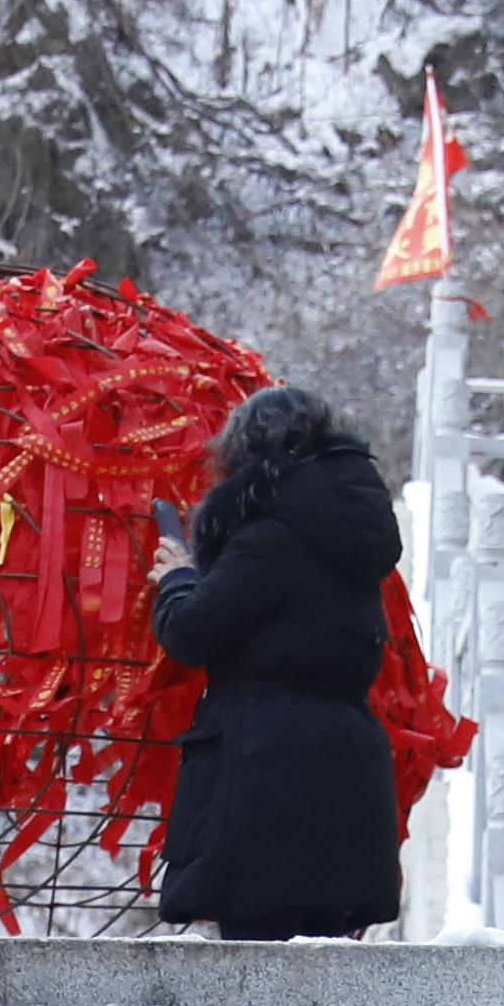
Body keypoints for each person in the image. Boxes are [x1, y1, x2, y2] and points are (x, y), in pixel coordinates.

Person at [147, 382, 409, 938]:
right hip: (347, 764)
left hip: (267, 772)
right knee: (326, 976)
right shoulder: (349, 531)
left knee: (256, 974)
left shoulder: (272, 536)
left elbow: (192, 633)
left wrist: (177, 580)